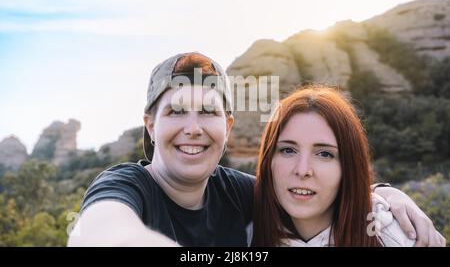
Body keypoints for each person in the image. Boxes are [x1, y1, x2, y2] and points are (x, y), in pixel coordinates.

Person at [68, 52, 444, 247]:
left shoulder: (241, 193)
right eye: (177, 111)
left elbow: (312, 191)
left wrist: (382, 194)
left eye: (208, 111)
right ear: (151, 124)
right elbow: (102, 228)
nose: (193, 128)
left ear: (228, 126)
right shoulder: (126, 186)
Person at [252, 85, 446, 247]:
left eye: (324, 154)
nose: (302, 170)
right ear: (269, 160)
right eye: (288, 150)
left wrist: (381, 196)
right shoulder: (242, 229)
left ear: (348, 166)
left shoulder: (390, 234)